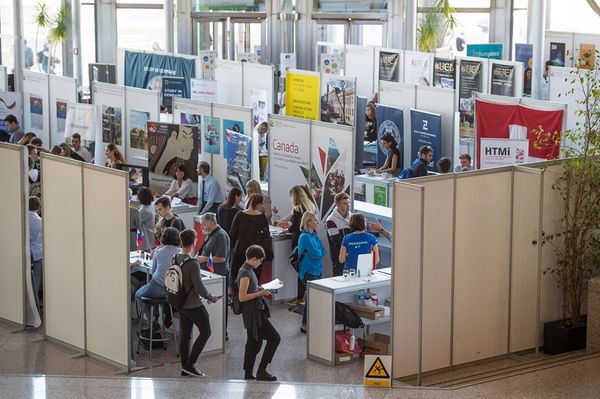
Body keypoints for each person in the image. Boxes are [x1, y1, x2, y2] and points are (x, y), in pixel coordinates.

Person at [175, 228, 218, 377]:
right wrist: (210, 296)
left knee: (185, 335)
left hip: (179, 302)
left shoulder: (174, 258)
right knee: (206, 331)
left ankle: (184, 368)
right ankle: (190, 363)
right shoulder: (193, 263)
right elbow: (199, 288)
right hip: (193, 304)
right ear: (194, 242)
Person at [236, 245, 280, 381]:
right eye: (260, 260)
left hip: (254, 311)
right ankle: (262, 371)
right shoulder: (245, 272)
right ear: (254, 259)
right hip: (253, 313)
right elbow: (242, 297)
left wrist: (265, 287)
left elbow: (251, 288)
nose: (260, 263)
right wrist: (261, 292)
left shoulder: (248, 269)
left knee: (254, 342)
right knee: (274, 338)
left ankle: (248, 373)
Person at [134, 227, 180, 326]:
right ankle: (157, 316)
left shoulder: (158, 252)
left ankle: (153, 321)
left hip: (158, 286)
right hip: (174, 292)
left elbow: (153, 272)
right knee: (152, 292)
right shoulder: (181, 252)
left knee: (138, 295)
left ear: (163, 237)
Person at [197, 212, 230, 334]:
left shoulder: (220, 236)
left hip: (218, 275)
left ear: (211, 223)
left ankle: (221, 332)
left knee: (219, 307)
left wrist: (204, 259)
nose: (201, 228)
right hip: (209, 274)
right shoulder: (211, 234)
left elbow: (222, 258)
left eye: (203, 225)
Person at [285, 185, 317, 304]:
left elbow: (295, 227)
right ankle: (306, 295)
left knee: (301, 268)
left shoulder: (297, 209)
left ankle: (301, 297)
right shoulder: (310, 206)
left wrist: (288, 227)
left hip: (299, 241)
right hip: (311, 240)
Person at [229, 194, 271, 282]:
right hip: (257, 252)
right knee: (254, 279)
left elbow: (232, 234)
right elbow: (266, 235)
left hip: (241, 251)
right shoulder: (262, 217)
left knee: (239, 278)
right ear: (259, 204)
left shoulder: (239, 215)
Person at [298, 211, 325, 333]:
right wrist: (317, 253)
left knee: (314, 297)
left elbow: (323, 251)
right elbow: (316, 253)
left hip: (317, 269)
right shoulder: (304, 237)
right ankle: (305, 324)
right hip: (309, 271)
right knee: (311, 297)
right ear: (308, 222)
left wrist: (317, 253)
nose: (317, 222)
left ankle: (313, 322)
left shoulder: (314, 235)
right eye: (314, 220)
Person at [326, 192, 353, 277]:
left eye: (349, 203)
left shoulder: (352, 217)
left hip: (352, 257)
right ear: (337, 204)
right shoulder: (331, 220)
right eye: (345, 203)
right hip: (339, 259)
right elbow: (337, 241)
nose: (348, 205)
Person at [29, 196, 43, 305]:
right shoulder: (39, 220)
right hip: (38, 253)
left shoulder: (23, 217)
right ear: (38, 206)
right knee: (36, 279)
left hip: (28, 252)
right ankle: (35, 304)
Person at [137, 187, 156, 251]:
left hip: (145, 236)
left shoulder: (144, 210)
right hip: (150, 232)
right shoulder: (151, 205)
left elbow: (136, 221)